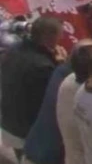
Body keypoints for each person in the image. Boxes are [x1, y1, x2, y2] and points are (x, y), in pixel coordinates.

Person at [0, 16, 64, 152]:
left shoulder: (14, 49)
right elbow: (55, 97)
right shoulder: (42, 66)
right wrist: (61, 65)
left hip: (10, 124)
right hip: (29, 132)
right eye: (60, 36)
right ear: (50, 39)